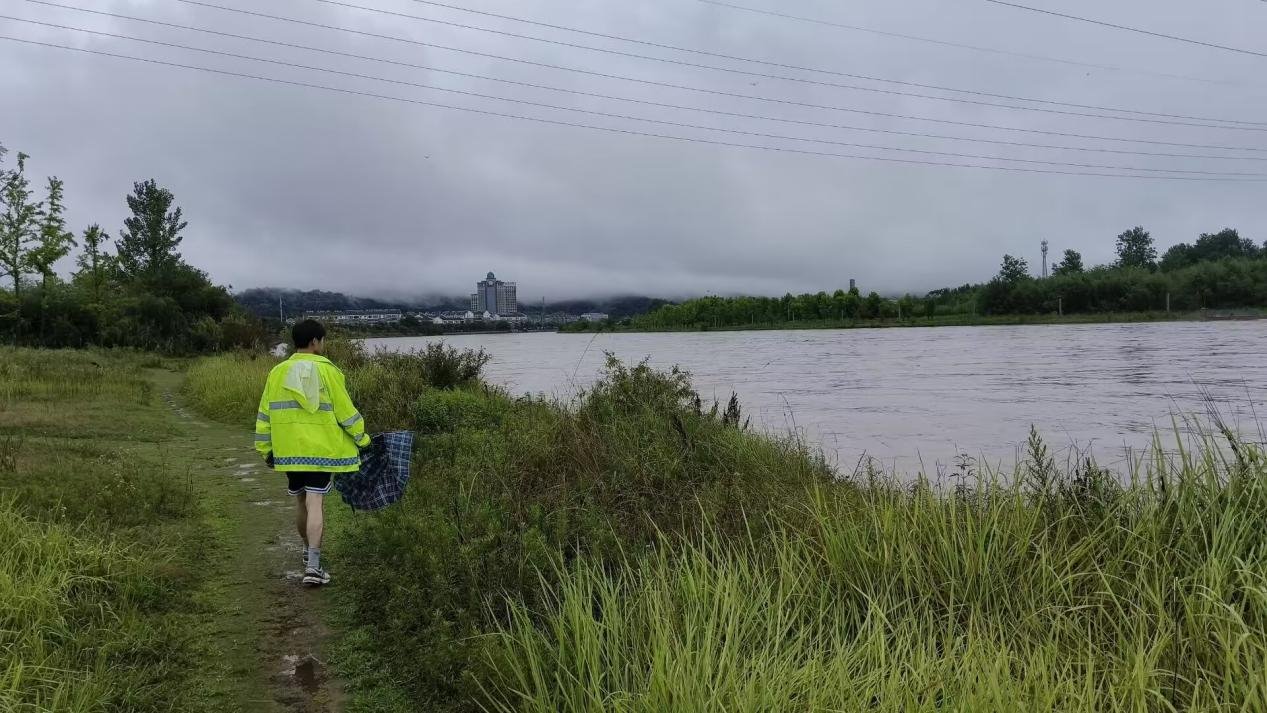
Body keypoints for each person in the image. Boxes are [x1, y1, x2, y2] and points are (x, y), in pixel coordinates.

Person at [254, 320, 370, 586]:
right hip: (320, 451)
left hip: (289, 451)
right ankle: (314, 568)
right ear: (315, 341)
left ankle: (307, 551)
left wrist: (265, 448)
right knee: (315, 502)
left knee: (301, 501)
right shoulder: (329, 371)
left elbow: (265, 413)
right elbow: (346, 412)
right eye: (323, 340)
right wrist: (362, 439)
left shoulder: (277, 372)